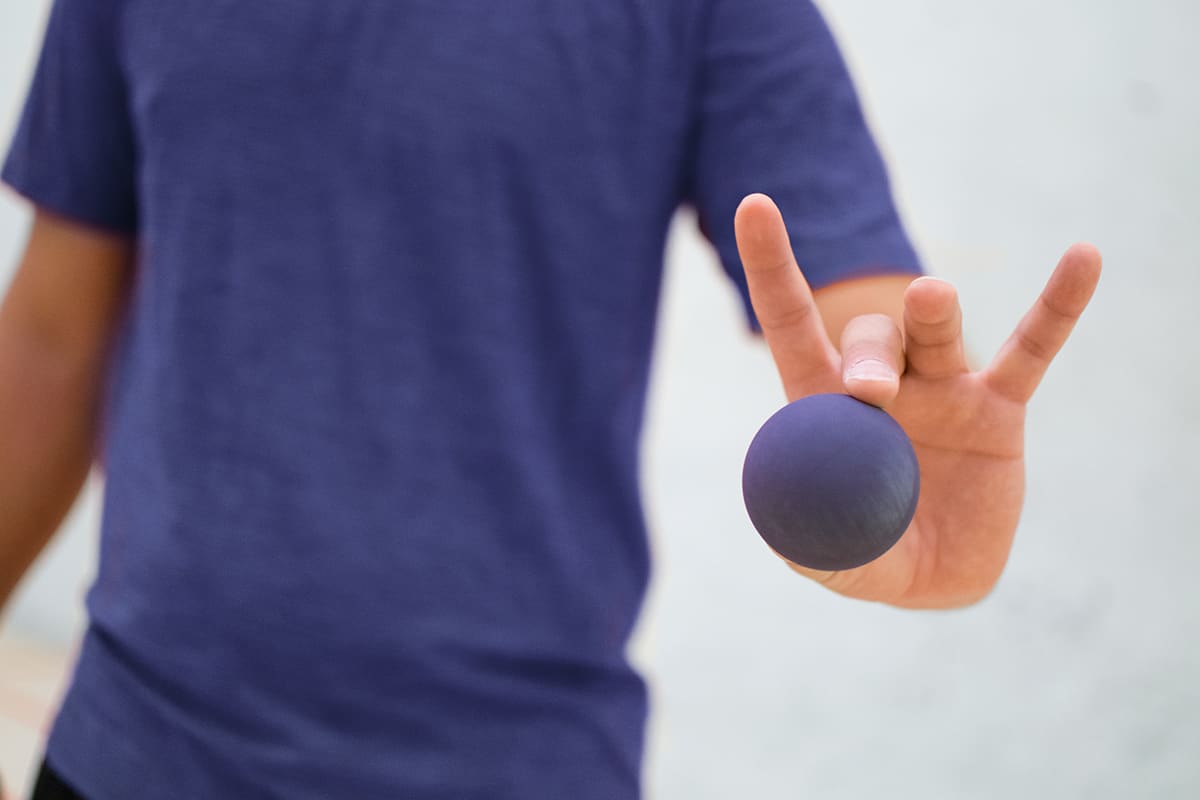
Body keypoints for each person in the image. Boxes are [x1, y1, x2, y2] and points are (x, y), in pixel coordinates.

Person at [0, 0, 1100, 798]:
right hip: (137, 750)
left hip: (519, 764)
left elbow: (857, 302)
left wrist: (899, 435)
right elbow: (50, 339)